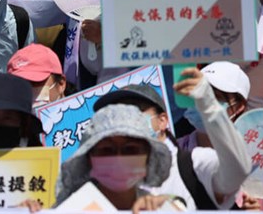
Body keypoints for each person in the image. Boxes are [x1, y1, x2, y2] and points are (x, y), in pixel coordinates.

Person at [92, 69, 251, 210]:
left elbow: (237, 171)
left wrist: (208, 104)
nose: (126, 120)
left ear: (162, 120)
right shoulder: (106, 182)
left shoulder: (195, 164)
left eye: (136, 110)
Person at [54, 104, 176, 212]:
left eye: (130, 149)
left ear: (148, 156)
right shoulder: (70, 210)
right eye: (107, 150)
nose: (119, 158)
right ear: (90, 158)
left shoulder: (159, 208)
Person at [178, 61, 250, 150]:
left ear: (238, 107)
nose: (202, 101)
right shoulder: (172, 152)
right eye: (198, 92)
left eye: (214, 96)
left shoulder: (253, 152)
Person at [7, 43, 67, 108]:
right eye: (19, 85)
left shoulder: (78, 115)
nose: (27, 90)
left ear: (61, 84)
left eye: (35, 82)